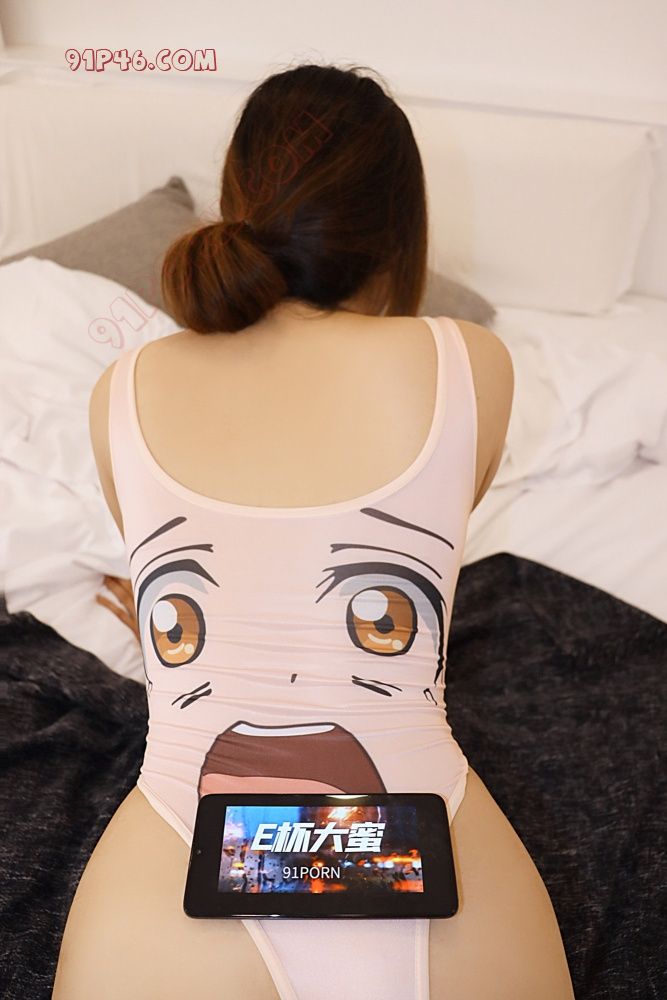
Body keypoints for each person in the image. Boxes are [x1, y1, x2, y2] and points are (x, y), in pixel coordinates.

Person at [53, 62, 575, 1000]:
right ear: (400, 229)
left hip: (176, 843)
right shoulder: (469, 363)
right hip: (421, 825)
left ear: (237, 202)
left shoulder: (121, 388)